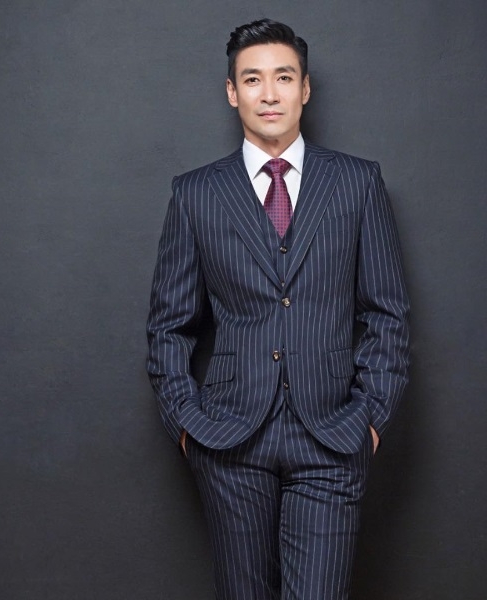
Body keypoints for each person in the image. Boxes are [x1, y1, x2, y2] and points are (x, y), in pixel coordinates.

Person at [146, 18, 410, 600]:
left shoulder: (357, 183)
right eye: (253, 79)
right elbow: (168, 326)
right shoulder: (196, 194)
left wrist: (370, 418)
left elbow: (386, 313)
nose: (269, 93)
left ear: (305, 88)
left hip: (332, 434)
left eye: (284, 77)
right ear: (232, 92)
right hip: (229, 439)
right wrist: (187, 425)